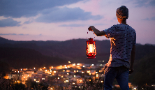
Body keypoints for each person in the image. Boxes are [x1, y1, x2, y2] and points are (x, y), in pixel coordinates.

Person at [88, 5, 136, 90]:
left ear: (118, 15)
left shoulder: (116, 28)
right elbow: (133, 51)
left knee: (107, 87)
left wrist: (92, 27)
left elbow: (98, 33)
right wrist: (131, 66)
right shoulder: (132, 31)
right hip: (125, 66)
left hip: (113, 64)